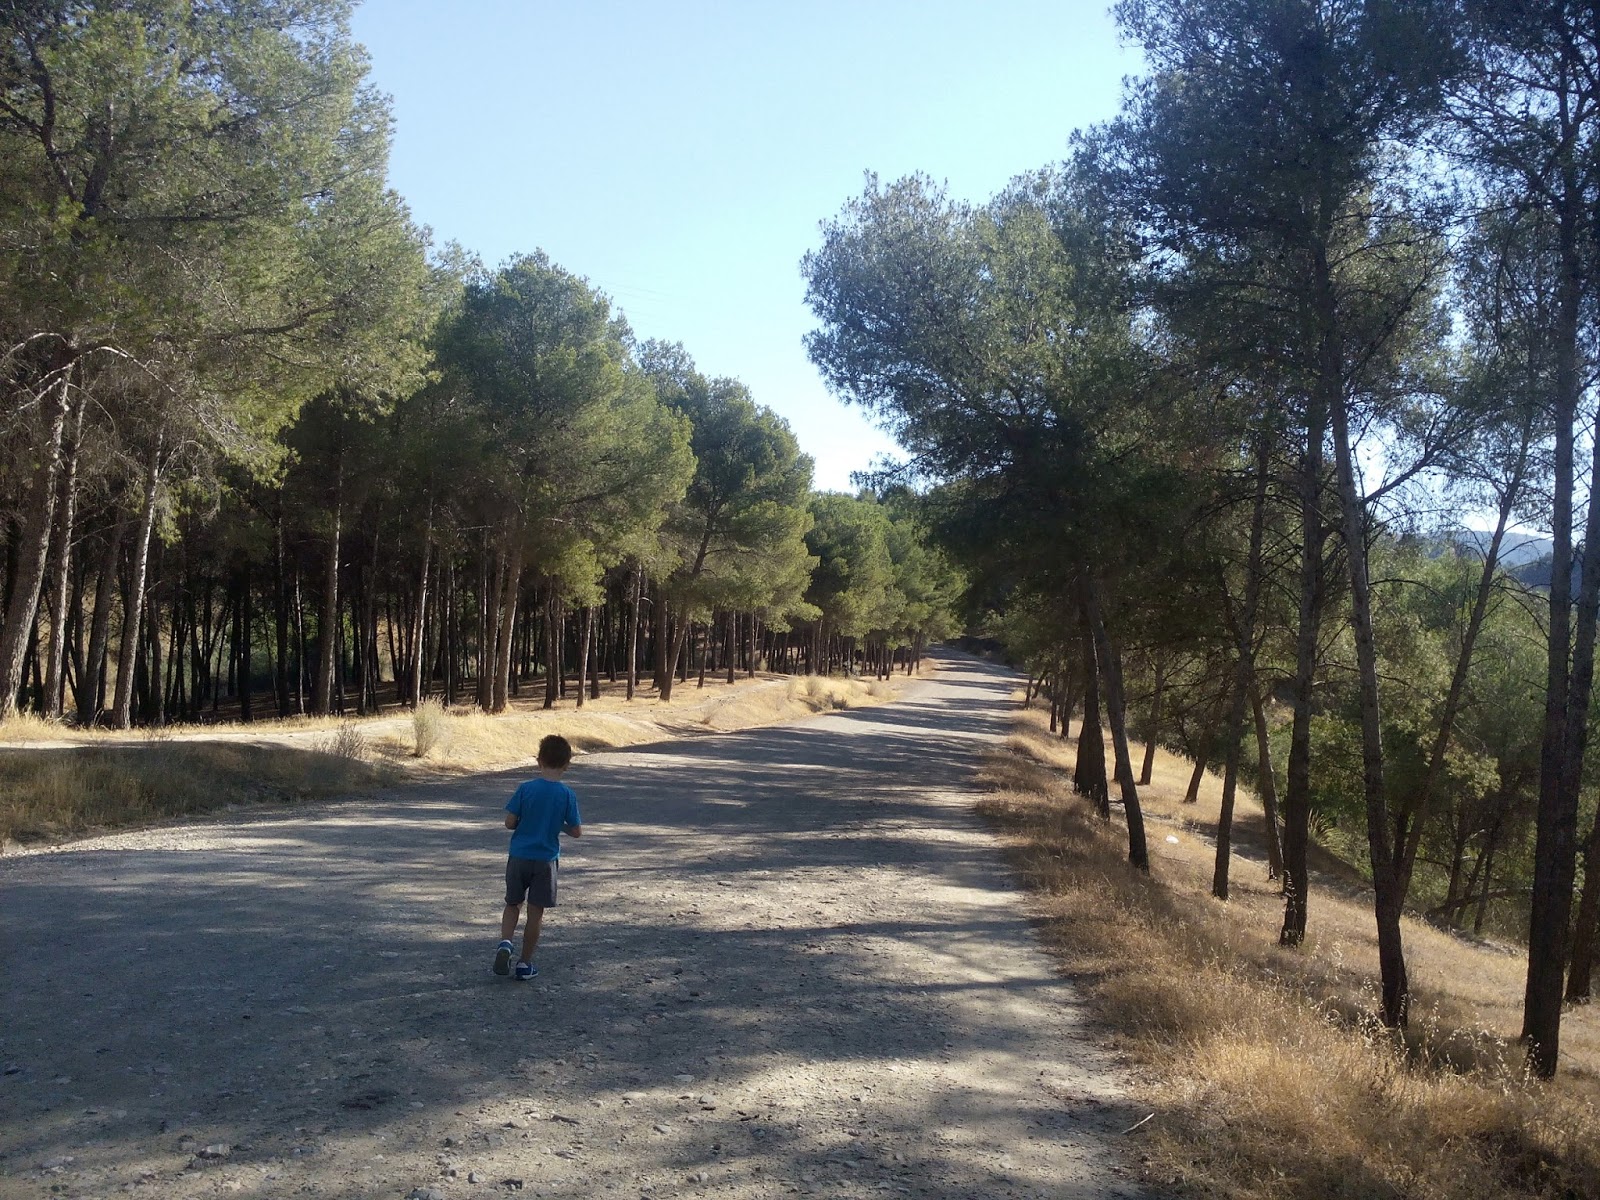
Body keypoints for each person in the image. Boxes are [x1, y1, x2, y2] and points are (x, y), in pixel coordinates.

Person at [494, 734, 582, 980]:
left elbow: (509, 822)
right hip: (546, 860)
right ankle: (524, 963)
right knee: (536, 912)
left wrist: (523, 821)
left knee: (513, 903)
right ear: (567, 765)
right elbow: (576, 831)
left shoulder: (525, 788)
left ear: (539, 760)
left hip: (519, 856)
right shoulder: (567, 794)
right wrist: (558, 823)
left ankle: (505, 943)